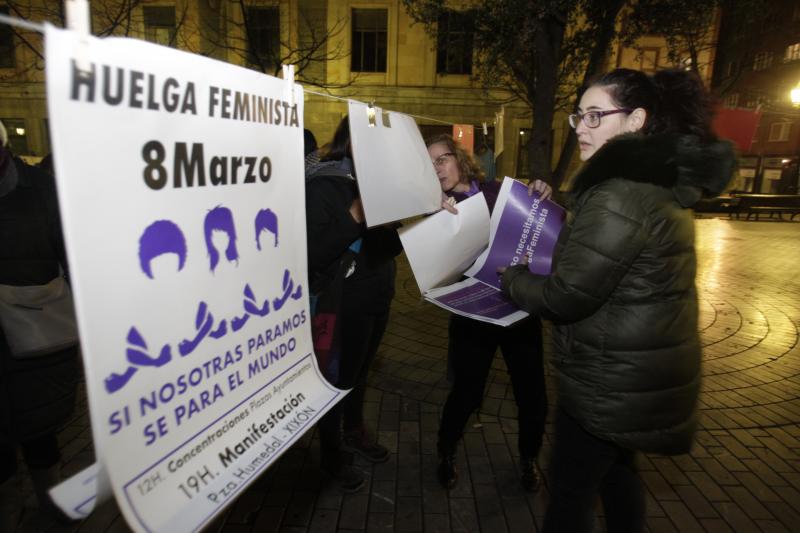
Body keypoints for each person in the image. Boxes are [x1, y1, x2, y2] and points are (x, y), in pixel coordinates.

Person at [500, 68, 735, 532]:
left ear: (635, 120)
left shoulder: (619, 193)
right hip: (634, 371)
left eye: (595, 116)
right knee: (618, 476)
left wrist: (513, 279)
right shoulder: (648, 183)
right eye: (578, 117)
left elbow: (567, 295)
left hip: (608, 380)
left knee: (569, 493)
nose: (581, 128)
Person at [426, 134, 551, 492]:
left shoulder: (500, 191)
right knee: (467, 392)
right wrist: (438, 221)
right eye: (430, 163)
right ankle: (445, 450)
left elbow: (538, 229)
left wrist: (539, 192)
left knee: (532, 395)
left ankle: (529, 457)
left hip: (517, 309)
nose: (437, 169)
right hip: (473, 315)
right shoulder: (436, 207)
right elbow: (436, 269)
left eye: (442, 159)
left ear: (460, 159)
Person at [305, 117, 402, 492]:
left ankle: (355, 430)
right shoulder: (323, 186)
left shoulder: (376, 185)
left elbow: (387, 248)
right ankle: (332, 454)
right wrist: (355, 216)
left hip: (377, 296)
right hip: (343, 303)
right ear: (351, 142)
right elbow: (312, 255)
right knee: (337, 380)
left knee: (360, 375)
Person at [0, 125, 80, 530]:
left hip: (36, 330)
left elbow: (74, 254)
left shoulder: (41, 190)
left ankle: (52, 503)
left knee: (38, 428)